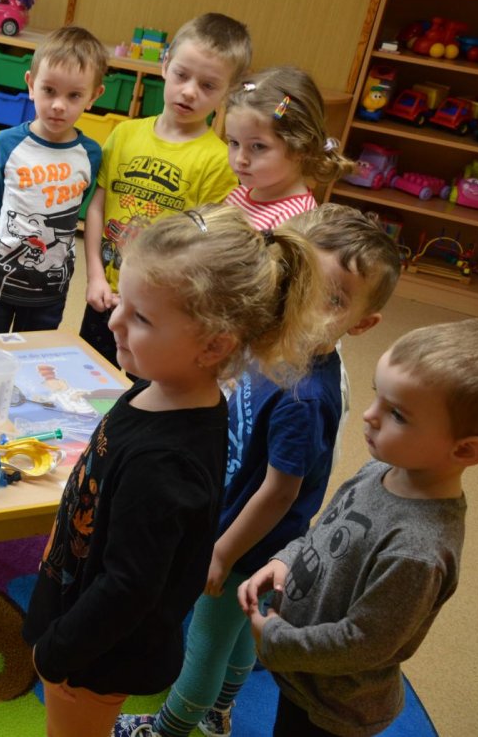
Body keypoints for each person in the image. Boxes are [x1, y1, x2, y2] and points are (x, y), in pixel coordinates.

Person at [23, 204, 328, 737]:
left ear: (213, 345)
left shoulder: (166, 464)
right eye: (122, 300)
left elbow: (128, 589)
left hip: (95, 654)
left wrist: (56, 653)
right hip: (78, 603)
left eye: (141, 318)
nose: (114, 321)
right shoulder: (163, 388)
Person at [114, 203, 401, 737]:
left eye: (333, 299)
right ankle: (221, 708)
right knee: (242, 629)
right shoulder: (272, 345)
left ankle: (169, 728)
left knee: (205, 640)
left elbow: (278, 492)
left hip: (250, 543)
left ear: (362, 324)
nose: (305, 304)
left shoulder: (303, 396)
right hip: (239, 523)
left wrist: (223, 553)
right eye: (300, 282)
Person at [237, 318, 478, 737]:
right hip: (303, 674)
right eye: (378, 395)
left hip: (335, 707)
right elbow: (325, 531)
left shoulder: (417, 551)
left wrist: (277, 640)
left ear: (465, 450)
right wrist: (285, 560)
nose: (368, 415)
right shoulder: (382, 468)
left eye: (397, 414)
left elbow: (362, 642)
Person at [79, 12, 251, 368]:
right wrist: (95, 274)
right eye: (182, 75)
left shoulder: (219, 162)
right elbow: (97, 207)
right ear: (165, 64)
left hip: (159, 313)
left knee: (144, 388)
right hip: (105, 295)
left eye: (208, 86)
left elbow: (204, 250)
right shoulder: (124, 134)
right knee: (87, 380)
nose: (189, 91)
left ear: (229, 92)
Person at [0, 25, 105, 335]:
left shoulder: (91, 154)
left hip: (48, 289)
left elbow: (74, 213)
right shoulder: (7, 143)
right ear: (31, 84)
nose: (58, 105)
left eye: (74, 95)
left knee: (34, 356)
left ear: (93, 96)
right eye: (49, 90)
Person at [223, 66, 354, 230]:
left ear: (301, 147)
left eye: (258, 146)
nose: (240, 159)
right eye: (234, 143)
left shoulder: (295, 220)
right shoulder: (240, 194)